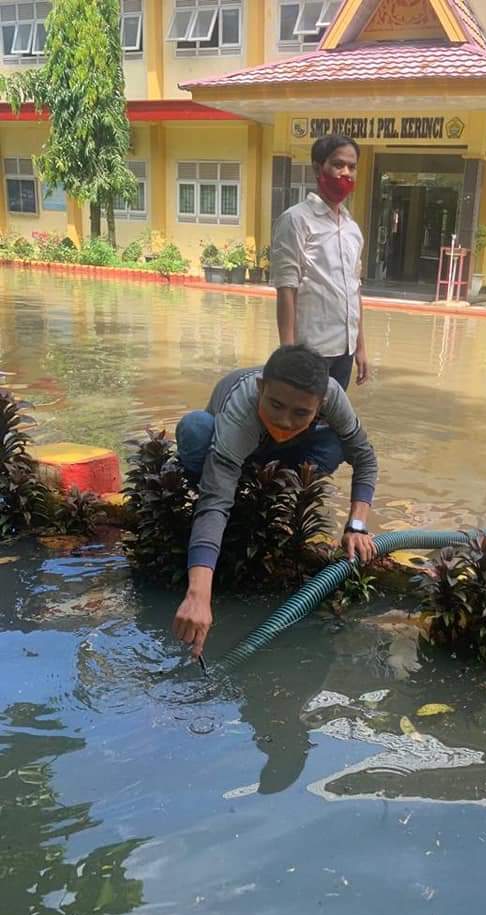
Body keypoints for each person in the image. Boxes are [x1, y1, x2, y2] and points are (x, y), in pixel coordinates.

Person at [172, 345, 378, 659]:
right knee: (195, 429)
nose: (284, 420)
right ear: (260, 389)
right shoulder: (241, 407)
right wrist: (198, 595)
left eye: (300, 412)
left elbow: (365, 457)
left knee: (336, 444)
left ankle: (279, 493)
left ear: (320, 404)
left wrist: (357, 525)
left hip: (281, 452)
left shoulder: (334, 397)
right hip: (227, 453)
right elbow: (215, 503)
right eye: (276, 405)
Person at [271, 135, 368, 391]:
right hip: (310, 351)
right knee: (301, 423)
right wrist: (288, 354)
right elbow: (286, 288)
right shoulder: (296, 220)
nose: (346, 173)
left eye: (352, 166)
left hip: (344, 349)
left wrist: (360, 347)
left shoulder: (352, 229)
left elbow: (354, 290)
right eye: (338, 164)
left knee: (331, 421)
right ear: (317, 168)